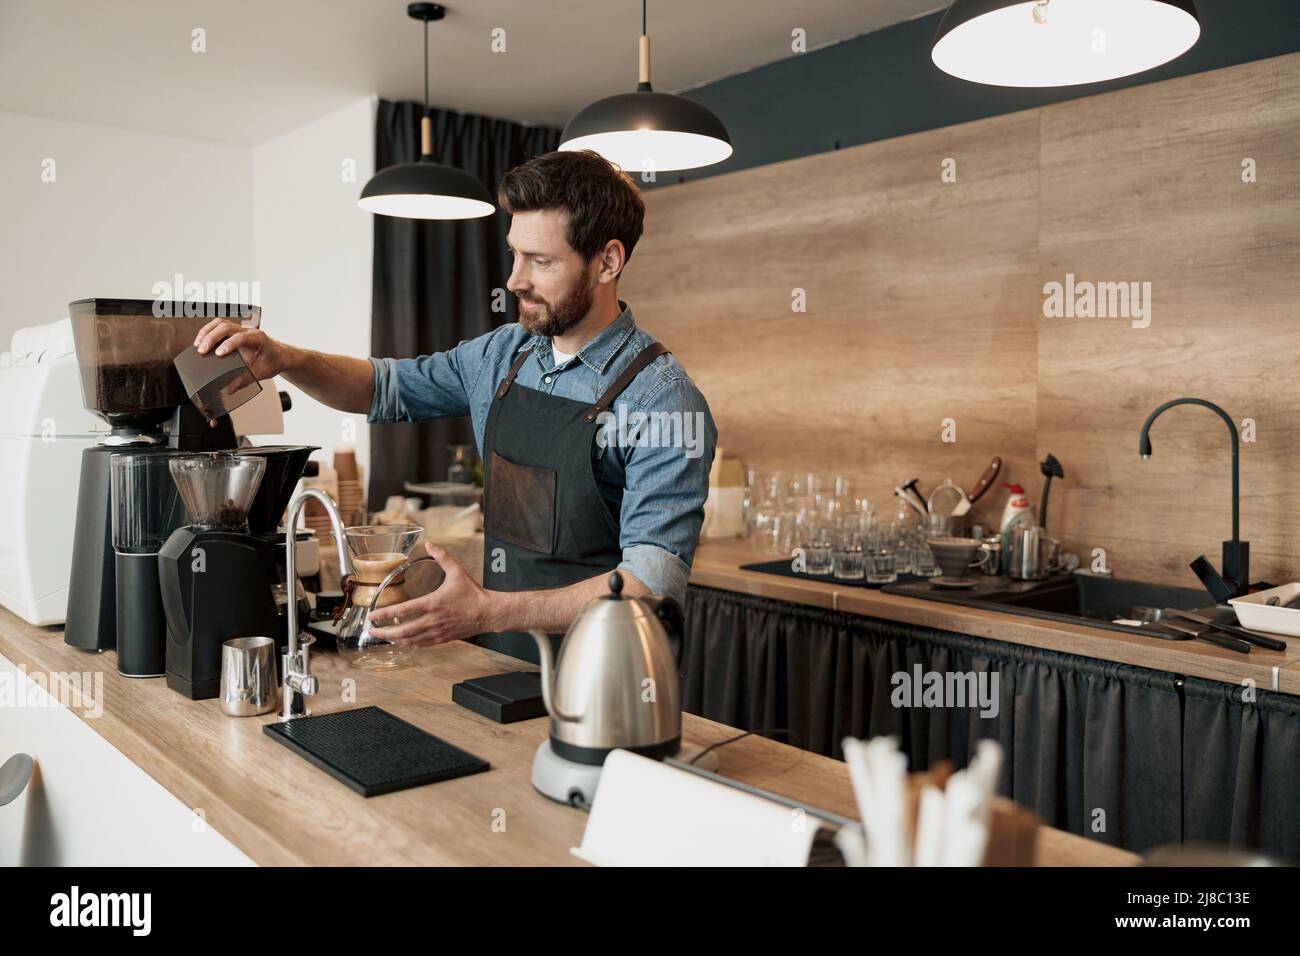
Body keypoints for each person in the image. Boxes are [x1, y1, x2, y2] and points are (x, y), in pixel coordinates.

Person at [194, 149, 717, 663]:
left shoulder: (663, 401)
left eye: (540, 261)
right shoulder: (503, 354)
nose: (515, 280)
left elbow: (651, 588)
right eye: (515, 254)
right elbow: (382, 388)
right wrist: (286, 358)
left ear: (608, 261)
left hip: (612, 683)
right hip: (505, 662)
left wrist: (487, 612)